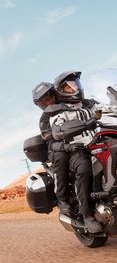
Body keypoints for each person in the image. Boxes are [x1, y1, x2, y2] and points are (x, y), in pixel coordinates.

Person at [48, 71, 103, 233]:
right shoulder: (59, 113)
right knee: (84, 168)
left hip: (101, 143)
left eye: (76, 85)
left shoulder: (90, 105)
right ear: (61, 92)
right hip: (78, 150)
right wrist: (84, 125)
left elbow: (109, 110)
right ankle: (87, 216)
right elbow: (58, 131)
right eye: (69, 87)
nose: (75, 89)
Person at [32, 82, 76, 217]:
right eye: (43, 101)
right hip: (57, 148)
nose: (48, 101)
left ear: (55, 94)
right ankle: (62, 199)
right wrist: (65, 146)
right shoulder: (45, 119)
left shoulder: (70, 106)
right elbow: (51, 142)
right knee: (61, 156)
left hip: (78, 142)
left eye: (49, 96)